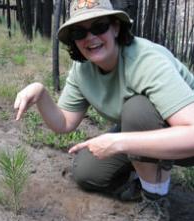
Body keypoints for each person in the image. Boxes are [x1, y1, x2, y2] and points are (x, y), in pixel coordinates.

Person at [14, 0, 194, 220]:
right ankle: (143, 175)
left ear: (116, 27)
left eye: (99, 27)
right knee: (87, 173)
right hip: (144, 130)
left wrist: (118, 142)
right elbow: (64, 123)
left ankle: (155, 200)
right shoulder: (83, 70)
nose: (90, 37)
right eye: (80, 32)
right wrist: (40, 94)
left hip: (183, 137)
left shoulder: (146, 60)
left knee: (137, 109)